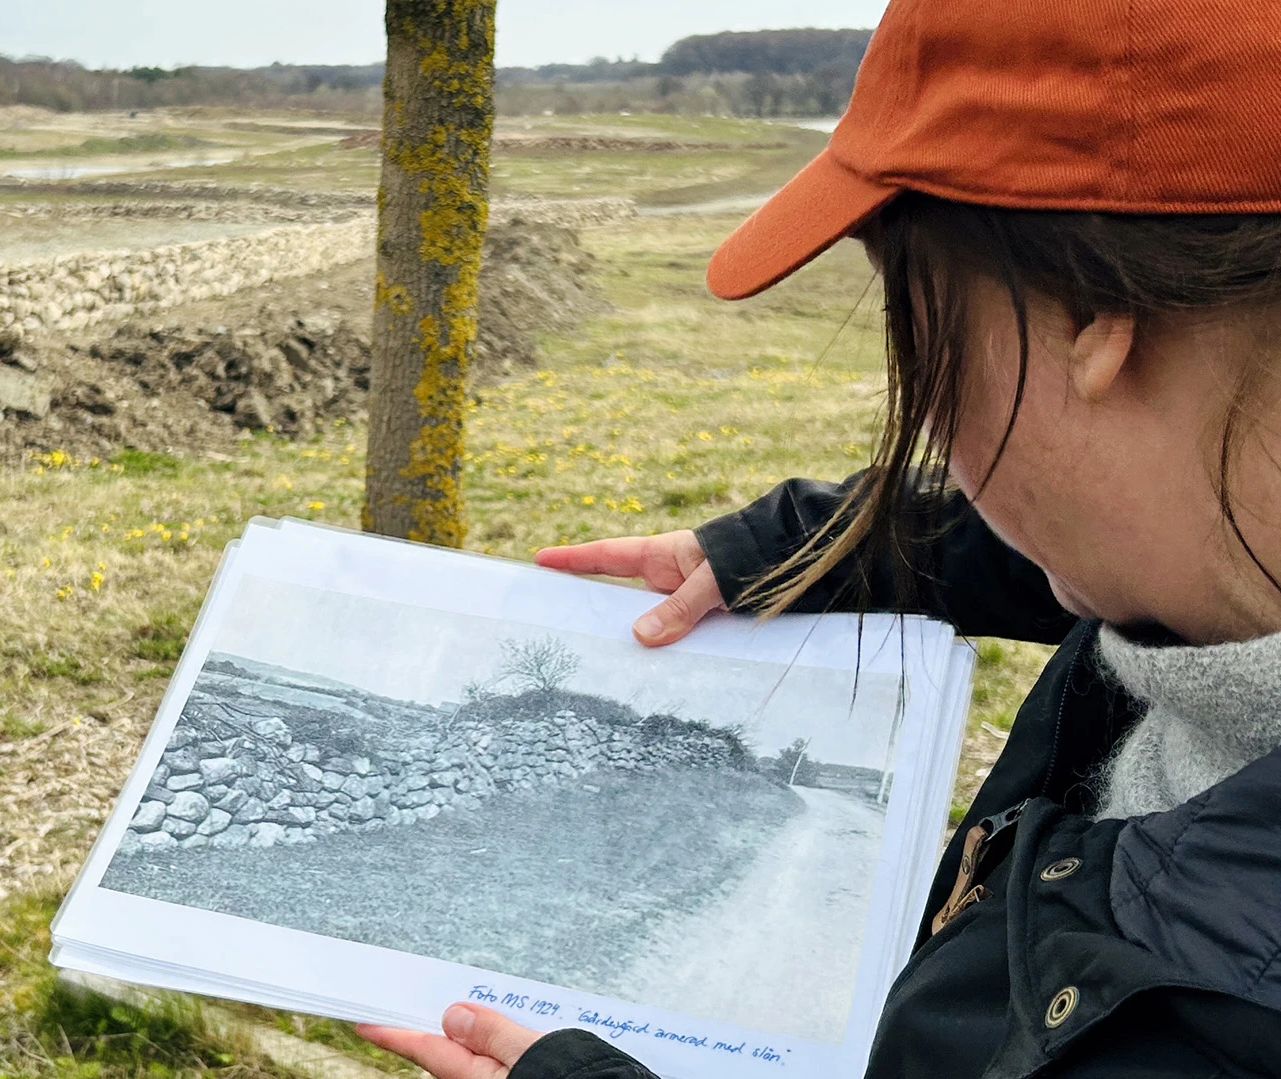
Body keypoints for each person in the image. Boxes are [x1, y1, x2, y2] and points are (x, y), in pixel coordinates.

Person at [358, 0, 1281, 1076]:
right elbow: (1052, 542)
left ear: (1088, 316)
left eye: (917, 315)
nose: (926, 413)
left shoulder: (1219, 1015)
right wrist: (788, 548)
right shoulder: (1202, 575)